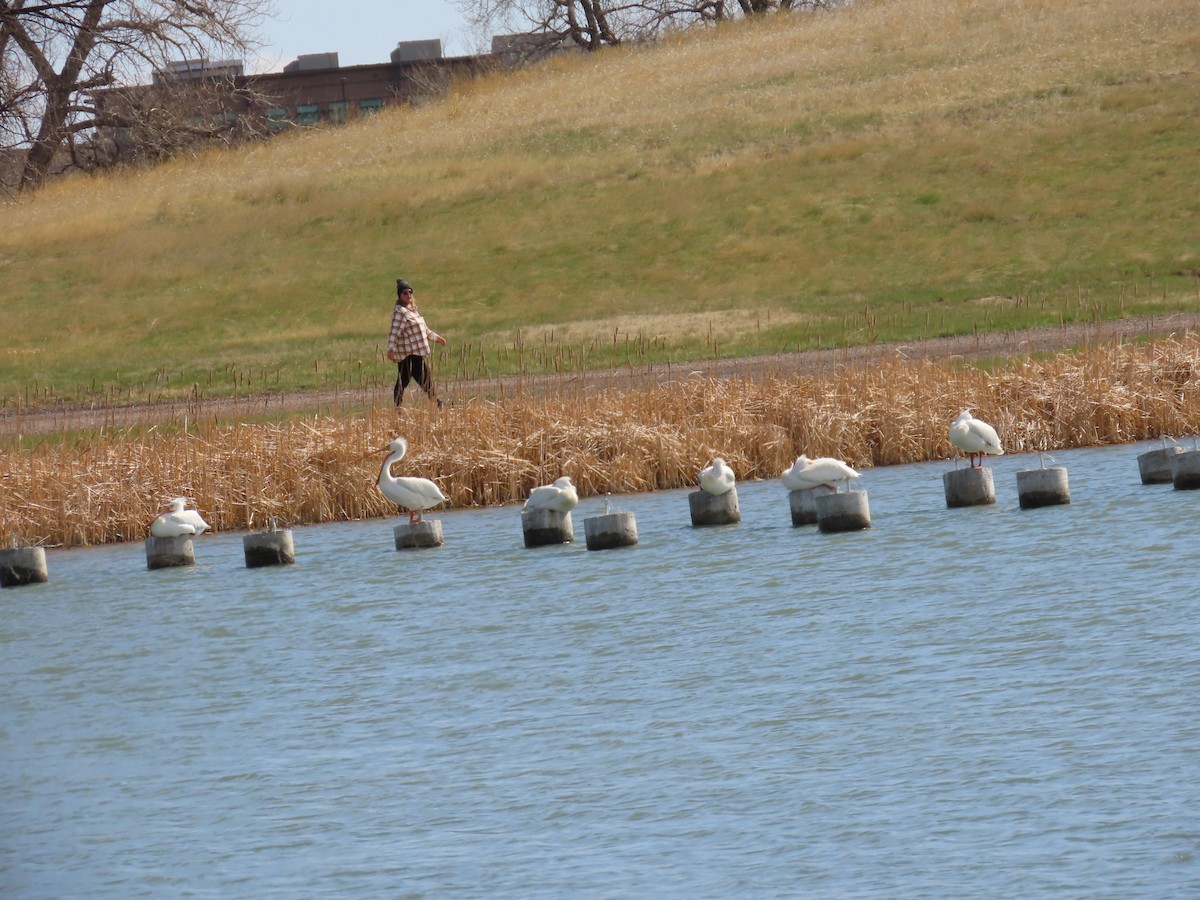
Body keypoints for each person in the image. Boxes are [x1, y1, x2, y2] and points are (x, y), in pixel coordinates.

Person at [386, 278, 447, 408]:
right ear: (400, 296)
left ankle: (438, 403)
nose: (408, 295)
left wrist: (437, 338)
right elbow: (394, 331)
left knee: (425, 378)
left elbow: (424, 330)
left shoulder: (412, 311)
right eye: (405, 293)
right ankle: (399, 408)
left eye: (410, 292)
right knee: (405, 380)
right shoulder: (400, 312)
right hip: (408, 354)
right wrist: (390, 349)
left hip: (417, 352)